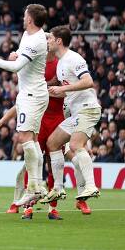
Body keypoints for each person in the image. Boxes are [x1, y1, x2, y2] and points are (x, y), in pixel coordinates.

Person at [0, 4, 49, 207]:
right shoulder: (27, 35)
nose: (22, 17)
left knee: (25, 138)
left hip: (33, 95)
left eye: (25, 14)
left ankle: (33, 189)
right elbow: (18, 56)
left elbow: (15, 66)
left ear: (30, 19)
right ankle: (39, 186)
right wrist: (15, 54)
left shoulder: (37, 39)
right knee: (33, 140)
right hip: (30, 93)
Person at [40, 26, 101, 206]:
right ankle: (58, 188)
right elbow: (63, 91)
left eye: (50, 38)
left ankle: (91, 186)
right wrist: (46, 91)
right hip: (76, 113)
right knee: (53, 143)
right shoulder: (60, 64)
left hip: (88, 109)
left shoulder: (74, 58)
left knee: (75, 145)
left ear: (59, 41)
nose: (48, 41)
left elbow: (88, 82)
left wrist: (63, 88)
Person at [6, 33, 65, 220]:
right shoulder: (32, 62)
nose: (47, 42)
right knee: (31, 163)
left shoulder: (62, 65)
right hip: (37, 117)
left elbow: (66, 92)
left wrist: (56, 88)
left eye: (50, 39)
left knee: (51, 163)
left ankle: (52, 208)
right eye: (45, 39)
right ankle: (28, 208)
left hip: (56, 119)